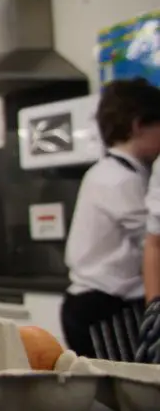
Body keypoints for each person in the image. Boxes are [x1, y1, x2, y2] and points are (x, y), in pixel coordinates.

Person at [63, 79, 160, 357]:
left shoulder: (109, 172)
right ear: (139, 125)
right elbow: (151, 239)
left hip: (91, 303)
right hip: (103, 307)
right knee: (125, 390)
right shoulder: (119, 179)